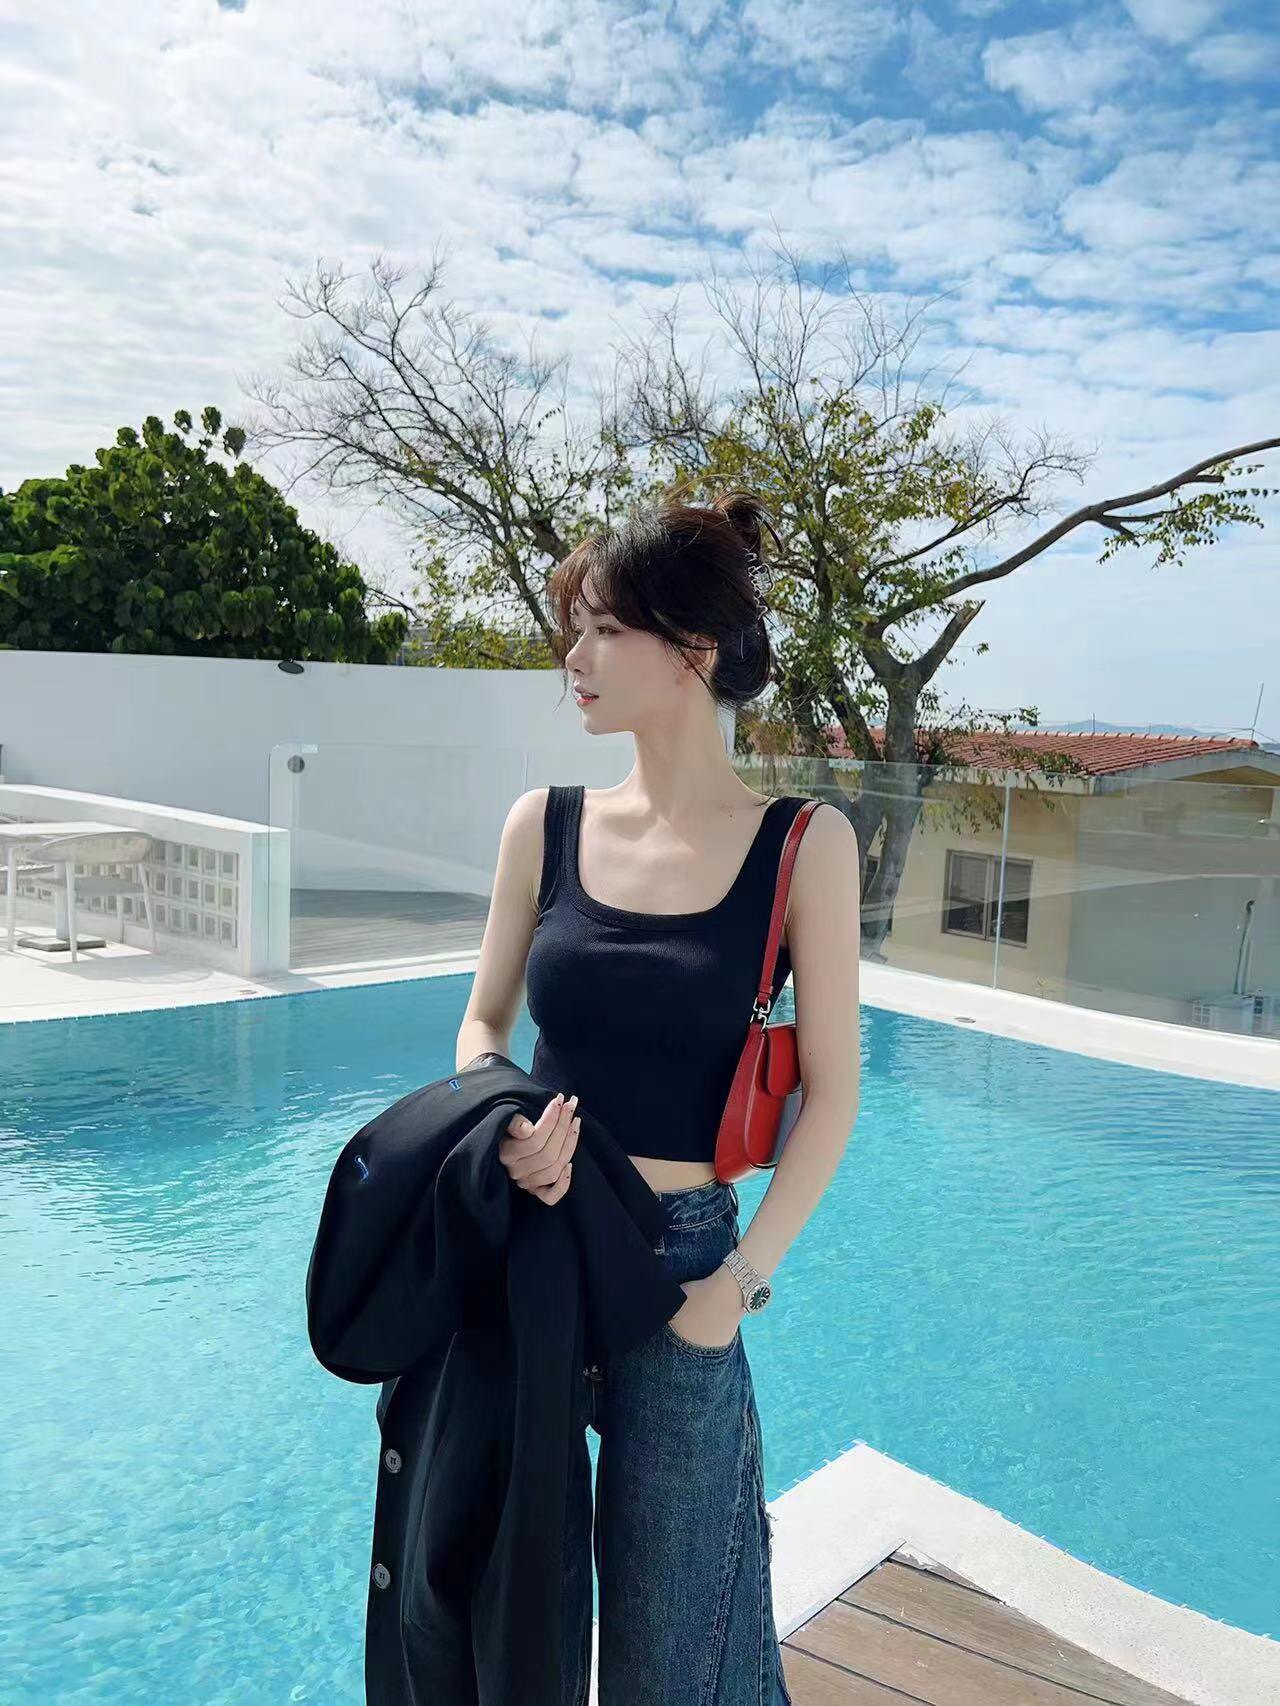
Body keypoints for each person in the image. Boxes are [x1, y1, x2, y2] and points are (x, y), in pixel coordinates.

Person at [455, 487, 863, 1706]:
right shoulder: (543, 823)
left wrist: (733, 1288)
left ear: (689, 647)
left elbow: (833, 1091)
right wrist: (503, 1119)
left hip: (682, 1271)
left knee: (673, 1650)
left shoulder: (802, 843)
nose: (572, 660)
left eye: (601, 630)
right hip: (534, 1248)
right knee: (505, 1621)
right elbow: (482, 1026)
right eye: (570, 631)